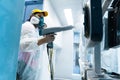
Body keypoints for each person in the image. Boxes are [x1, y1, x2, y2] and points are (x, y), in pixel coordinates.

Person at [17, 9, 55, 80]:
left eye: (42, 17)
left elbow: (36, 43)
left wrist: (45, 36)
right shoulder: (27, 26)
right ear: (32, 16)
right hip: (24, 65)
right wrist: (44, 40)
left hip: (30, 66)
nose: (41, 19)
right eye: (39, 16)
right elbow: (23, 44)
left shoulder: (35, 30)